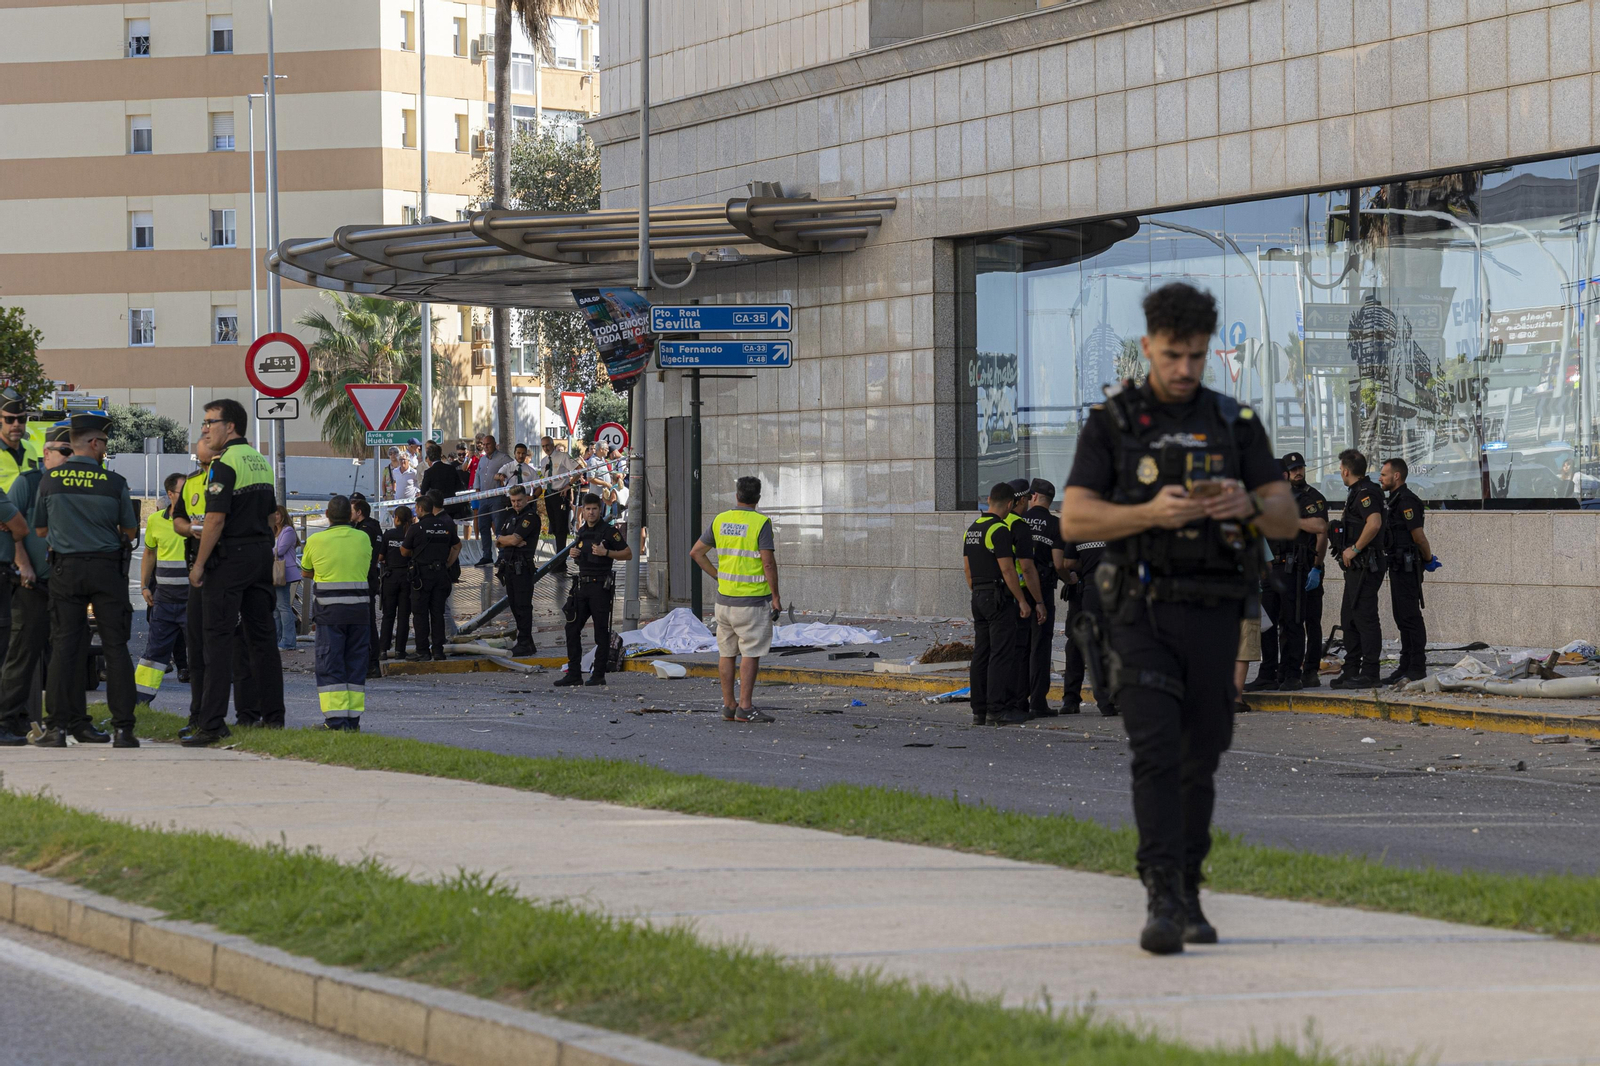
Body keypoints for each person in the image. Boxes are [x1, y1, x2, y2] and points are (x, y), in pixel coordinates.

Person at [1060, 282, 1297, 955]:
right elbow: (1076, 518)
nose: (1185, 369)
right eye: (1172, 355)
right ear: (1148, 348)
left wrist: (1241, 501)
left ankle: (1189, 887)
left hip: (1216, 609)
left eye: (1195, 355)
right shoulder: (1113, 423)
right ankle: (1160, 892)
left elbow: (1286, 517)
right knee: (1156, 751)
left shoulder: (1234, 422)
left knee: (1202, 756)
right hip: (1138, 609)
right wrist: (1148, 513)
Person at [33, 411, 141, 748]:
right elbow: (131, 529)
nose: (105, 450)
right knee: (116, 648)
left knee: (64, 647)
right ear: (93, 443)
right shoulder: (114, 483)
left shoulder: (49, 480)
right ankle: (124, 730)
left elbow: (40, 529)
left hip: (66, 571)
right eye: (104, 444)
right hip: (107, 571)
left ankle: (56, 729)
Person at [186, 398, 284, 746]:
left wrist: (199, 565)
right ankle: (273, 718)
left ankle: (211, 723)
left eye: (210, 422)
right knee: (263, 641)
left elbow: (214, 519)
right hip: (259, 555)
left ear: (231, 426)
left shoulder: (223, 464)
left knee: (217, 641)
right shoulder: (260, 461)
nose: (205, 429)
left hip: (230, 560)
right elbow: (273, 516)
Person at [688, 476, 781, 722]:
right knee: (750, 652)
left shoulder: (721, 520)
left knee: (726, 653)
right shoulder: (761, 523)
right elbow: (768, 563)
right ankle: (746, 707)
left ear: (737, 496)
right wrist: (776, 596)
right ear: (758, 498)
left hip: (724, 603)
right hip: (751, 603)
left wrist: (718, 575)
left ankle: (729, 705)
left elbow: (696, 552)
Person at [0, 424, 69, 745]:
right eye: (64, 452)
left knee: (64, 656)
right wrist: (23, 564)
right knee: (22, 654)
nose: (69, 458)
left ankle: (57, 721)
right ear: (46, 453)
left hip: (66, 584)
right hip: (31, 584)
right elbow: (11, 528)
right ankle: (5, 721)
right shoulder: (27, 484)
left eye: (74, 452)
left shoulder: (73, 486)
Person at [1246, 453, 1329, 693]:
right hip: (1270, 568)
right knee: (1268, 625)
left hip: (1294, 568)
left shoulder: (1303, 499)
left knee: (1293, 623)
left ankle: (1293, 674)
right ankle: (1268, 673)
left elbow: (1320, 527)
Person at [300, 495, 374, 731]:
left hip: (330, 614)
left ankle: (335, 722)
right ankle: (352, 722)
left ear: (327, 516)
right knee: (355, 665)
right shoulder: (363, 538)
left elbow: (306, 573)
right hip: (360, 614)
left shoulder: (315, 540)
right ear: (350, 515)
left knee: (331, 665)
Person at [963, 482, 1030, 728]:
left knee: (981, 652)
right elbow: (1007, 569)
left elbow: (967, 569)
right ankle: (996, 710)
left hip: (978, 595)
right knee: (1000, 653)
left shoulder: (972, 529)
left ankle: (979, 711)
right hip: (997, 596)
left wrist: (978, 592)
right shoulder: (999, 529)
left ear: (990, 499)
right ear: (1011, 504)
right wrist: (1021, 600)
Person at [553, 492, 630, 688]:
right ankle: (574, 673)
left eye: (594, 509)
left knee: (600, 632)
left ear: (600, 509)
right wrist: (574, 554)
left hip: (600, 586)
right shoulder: (582, 531)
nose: (591, 512)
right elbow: (580, 557)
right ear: (583, 511)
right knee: (572, 628)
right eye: (587, 509)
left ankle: (599, 674)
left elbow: (628, 553)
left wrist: (607, 553)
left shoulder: (609, 531)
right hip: (582, 586)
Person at [133, 472, 191, 705]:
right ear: (170, 494)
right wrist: (144, 585)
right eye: (182, 491)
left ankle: (205, 708)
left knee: (200, 653)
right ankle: (139, 703)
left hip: (192, 599)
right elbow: (149, 553)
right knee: (154, 654)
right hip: (164, 599)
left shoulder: (198, 519)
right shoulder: (156, 520)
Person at [1331, 448, 1387, 689]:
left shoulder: (1366, 492)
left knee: (1365, 618)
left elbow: (1374, 523)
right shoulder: (1357, 491)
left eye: (1340, 469)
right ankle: (1352, 667)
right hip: (1356, 567)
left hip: (1366, 564)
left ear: (1345, 470)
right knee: (1350, 617)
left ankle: (1370, 672)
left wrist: (1354, 548)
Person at [1380, 456, 1434, 685]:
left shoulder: (1407, 501)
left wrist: (1429, 558)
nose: (1380, 478)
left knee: (1410, 617)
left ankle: (1417, 667)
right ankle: (1405, 664)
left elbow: (1418, 536)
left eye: (1384, 475)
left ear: (1397, 476)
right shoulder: (1393, 500)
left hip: (1408, 566)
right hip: (1397, 565)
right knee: (1401, 617)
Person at [1020, 478, 1071, 717]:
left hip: (1019, 590)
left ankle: (1018, 698)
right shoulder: (1055, 524)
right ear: (1048, 500)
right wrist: (1070, 580)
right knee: (1040, 647)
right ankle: (1037, 702)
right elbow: (1059, 563)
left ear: (1033, 497)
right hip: (1043, 590)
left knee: (1020, 644)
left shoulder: (1018, 521)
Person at [0, 390, 41, 670]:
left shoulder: (32, 451)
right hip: (5, 544)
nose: (16, 424)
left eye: (21, 419)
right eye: (10, 419)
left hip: (26, 538)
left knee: (24, 633)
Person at [403, 491, 460, 661]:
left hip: (422, 576)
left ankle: (423, 651)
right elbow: (457, 546)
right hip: (441, 574)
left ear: (420, 509)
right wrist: (447, 563)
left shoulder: (416, 528)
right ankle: (438, 650)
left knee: (420, 614)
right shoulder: (445, 526)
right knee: (438, 613)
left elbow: (404, 551)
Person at [494, 485, 540, 656]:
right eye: (513, 501)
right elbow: (499, 539)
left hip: (523, 568)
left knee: (523, 606)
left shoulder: (530, 517)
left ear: (527, 498)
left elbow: (512, 540)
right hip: (510, 567)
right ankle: (527, 641)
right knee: (514, 606)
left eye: (519, 500)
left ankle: (525, 642)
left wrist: (508, 540)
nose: (516, 504)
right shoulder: (511, 517)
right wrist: (507, 540)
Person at [350, 495, 383, 677]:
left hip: (363, 578)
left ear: (359, 512)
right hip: (370, 577)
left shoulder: (363, 531)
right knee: (367, 622)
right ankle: (370, 662)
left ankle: (370, 663)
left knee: (366, 623)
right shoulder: (375, 527)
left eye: (352, 510)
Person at [378, 504, 414, 660]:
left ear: (396, 518)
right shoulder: (410, 534)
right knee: (404, 616)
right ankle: (400, 650)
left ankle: (383, 650)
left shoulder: (388, 534)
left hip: (390, 577)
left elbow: (380, 557)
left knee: (388, 616)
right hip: (406, 577)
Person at [539, 435, 577, 563]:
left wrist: (569, 485)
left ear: (552, 444)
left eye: (547, 445)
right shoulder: (543, 461)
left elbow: (578, 471)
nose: (545, 448)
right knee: (554, 527)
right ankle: (558, 556)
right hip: (549, 495)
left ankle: (561, 560)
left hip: (560, 494)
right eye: (543, 446)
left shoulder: (563, 456)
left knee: (561, 528)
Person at [472, 434, 509, 566]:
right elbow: (478, 475)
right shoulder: (482, 460)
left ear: (494, 444)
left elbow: (513, 471)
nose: (486, 447)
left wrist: (503, 478)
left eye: (488, 444)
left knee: (499, 527)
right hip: (483, 498)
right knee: (483, 527)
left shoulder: (503, 458)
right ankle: (487, 555)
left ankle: (502, 556)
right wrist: (477, 490)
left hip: (497, 498)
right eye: (484, 444)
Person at [270, 505, 302, 651]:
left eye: (277, 514)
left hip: (283, 572)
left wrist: (263, 548)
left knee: (283, 607)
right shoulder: (275, 531)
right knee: (276, 608)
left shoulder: (288, 531)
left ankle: (288, 641)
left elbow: (280, 550)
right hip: (274, 572)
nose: (275, 517)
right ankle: (278, 639)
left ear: (283, 515)